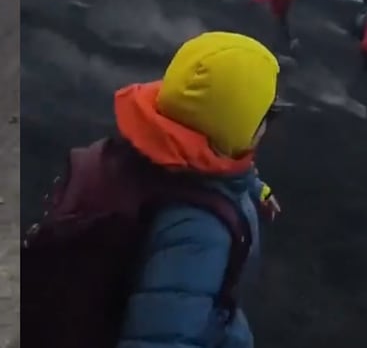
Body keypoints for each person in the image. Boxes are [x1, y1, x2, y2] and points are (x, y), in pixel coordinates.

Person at [21, 32, 282, 348]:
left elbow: (218, 160)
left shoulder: (144, 149)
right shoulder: (198, 232)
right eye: (267, 115)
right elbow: (164, 336)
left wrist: (256, 190)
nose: (268, 125)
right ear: (237, 128)